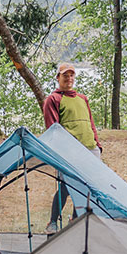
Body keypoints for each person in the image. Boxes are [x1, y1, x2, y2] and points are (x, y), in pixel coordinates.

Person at [43, 63, 103, 231]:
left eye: (71, 75)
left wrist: (97, 144)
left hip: (90, 148)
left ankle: (75, 220)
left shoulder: (82, 98)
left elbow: (90, 123)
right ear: (58, 78)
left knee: (88, 187)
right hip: (69, 151)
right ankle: (53, 222)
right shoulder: (53, 99)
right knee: (66, 187)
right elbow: (52, 128)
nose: (69, 78)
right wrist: (60, 151)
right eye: (65, 75)